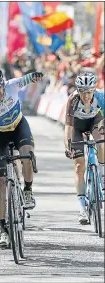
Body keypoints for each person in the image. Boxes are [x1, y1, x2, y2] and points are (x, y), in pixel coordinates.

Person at [0, 67, 44, 249]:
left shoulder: (13, 86)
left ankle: (28, 189)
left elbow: (28, 78)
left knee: (27, 154)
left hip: (19, 127)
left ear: (3, 83)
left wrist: (37, 74)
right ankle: (3, 228)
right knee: (0, 182)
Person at [64, 72, 105, 224]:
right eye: (82, 91)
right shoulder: (73, 100)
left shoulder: (101, 97)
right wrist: (67, 145)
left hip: (95, 122)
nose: (86, 95)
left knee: (101, 143)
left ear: (94, 90)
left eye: (89, 91)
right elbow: (68, 126)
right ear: (78, 90)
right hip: (77, 127)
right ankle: (82, 209)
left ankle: (102, 175)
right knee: (79, 166)